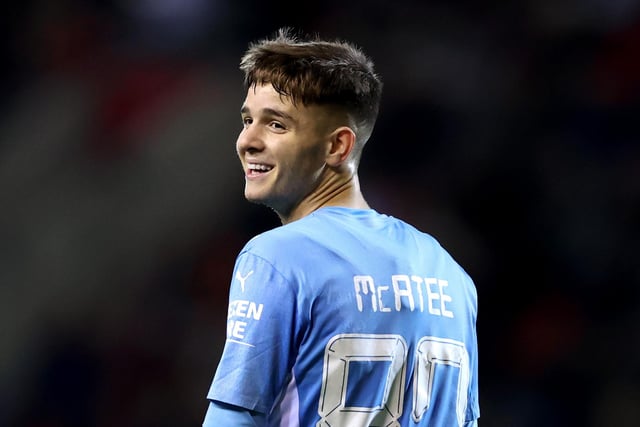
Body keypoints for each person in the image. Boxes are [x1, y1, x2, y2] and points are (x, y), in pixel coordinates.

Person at [203, 27, 479, 426]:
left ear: (337, 146)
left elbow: (233, 419)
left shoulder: (276, 256)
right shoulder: (450, 273)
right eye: (248, 119)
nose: (248, 140)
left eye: (276, 124)